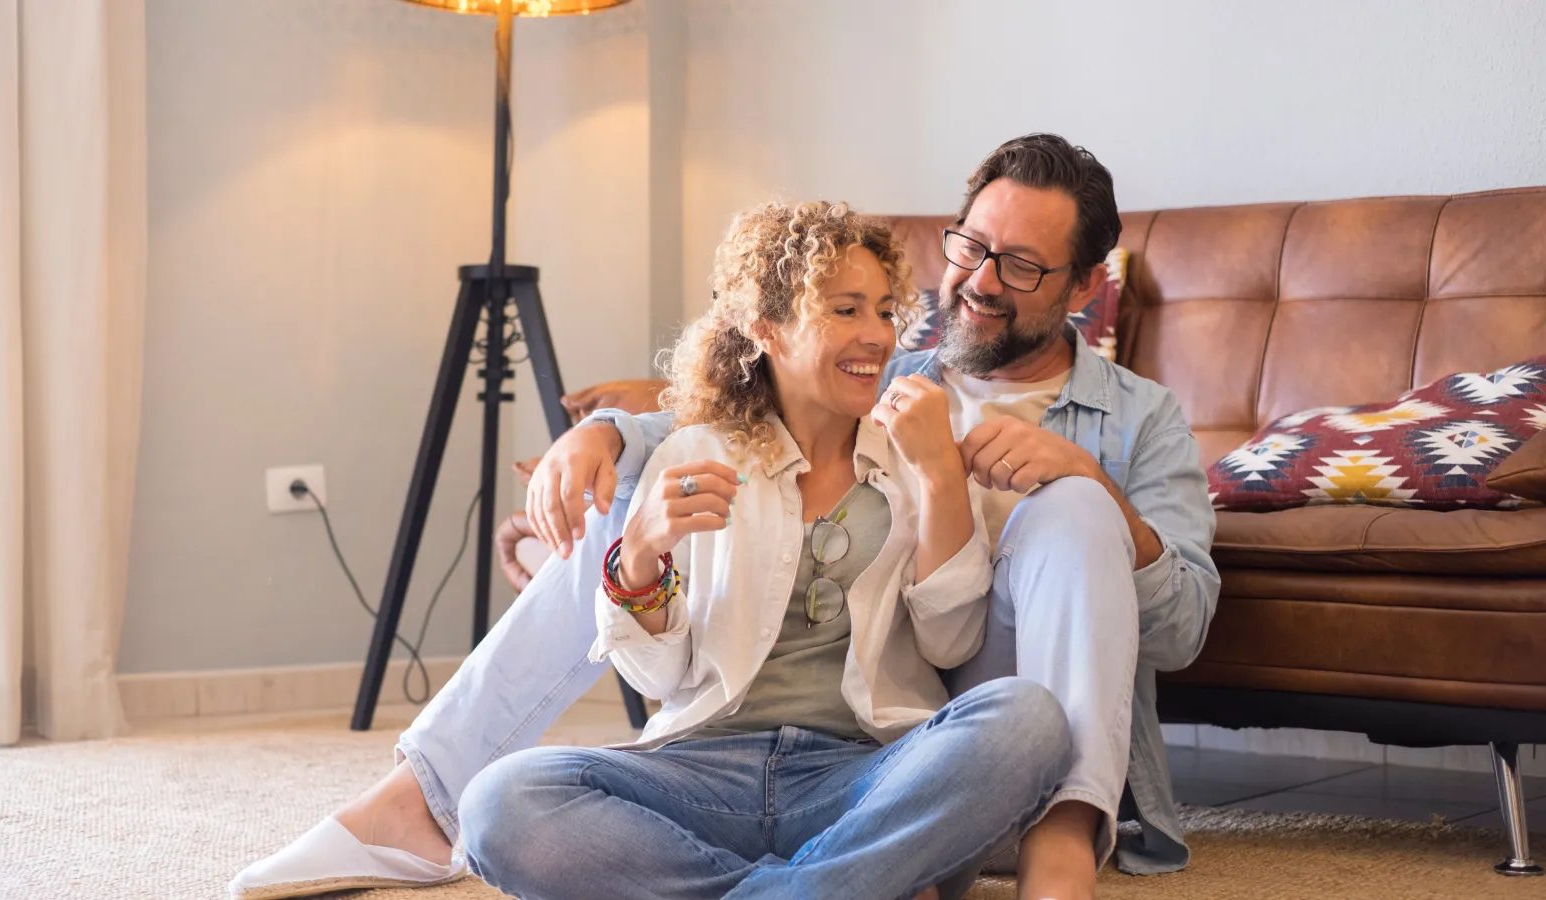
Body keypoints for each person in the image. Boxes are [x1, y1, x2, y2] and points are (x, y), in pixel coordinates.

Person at [231, 134, 1220, 900]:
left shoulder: (1139, 419)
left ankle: (1059, 847)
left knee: (1072, 521)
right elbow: (719, 418)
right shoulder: (891, 369)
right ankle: (430, 796)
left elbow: (1175, 627)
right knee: (520, 777)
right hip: (737, 750)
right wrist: (609, 440)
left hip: (933, 723)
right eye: (969, 247)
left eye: (1023, 267)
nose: (977, 281)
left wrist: (1086, 482)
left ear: (1087, 286)